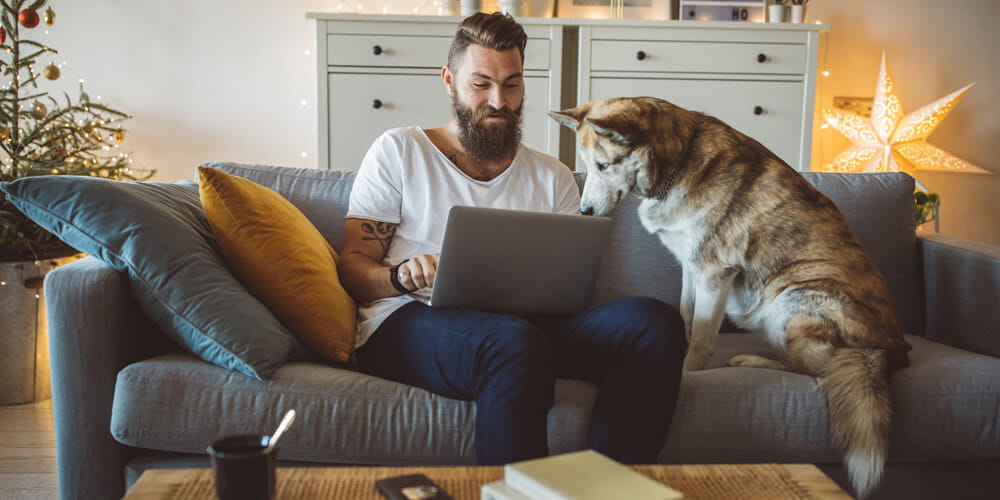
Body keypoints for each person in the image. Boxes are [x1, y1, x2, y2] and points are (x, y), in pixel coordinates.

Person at [338, 12, 687, 466]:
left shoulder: (553, 176)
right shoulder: (400, 150)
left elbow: (569, 287)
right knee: (510, 341)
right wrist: (402, 276)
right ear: (449, 81)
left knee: (654, 322)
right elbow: (353, 267)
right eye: (481, 84)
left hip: (525, 328)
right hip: (409, 319)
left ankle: (608, 486)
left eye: (512, 84)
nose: (498, 101)